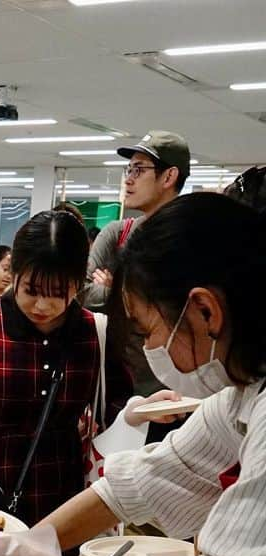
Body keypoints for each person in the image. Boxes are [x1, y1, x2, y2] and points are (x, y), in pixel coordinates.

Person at [0, 193, 266, 556]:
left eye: (149, 328)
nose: (150, 345)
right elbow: (148, 478)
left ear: (205, 312)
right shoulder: (244, 395)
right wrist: (17, 555)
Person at [0, 210, 131, 526]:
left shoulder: (93, 332)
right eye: (32, 291)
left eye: (59, 293)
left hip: (64, 503)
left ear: (79, 282)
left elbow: (118, 405)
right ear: (16, 274)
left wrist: (134, 413)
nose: (43, 306)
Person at [81, 130, 191, 398]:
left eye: (139, 170)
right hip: (116, 391)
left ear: (169, 176)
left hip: (178, 396)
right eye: (128, 169)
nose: (128, 180)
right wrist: (136, 294)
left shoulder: (192, 238)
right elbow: (81, 292)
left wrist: (114, 289)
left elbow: (182, 304)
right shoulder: (117, 233)